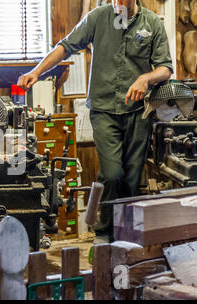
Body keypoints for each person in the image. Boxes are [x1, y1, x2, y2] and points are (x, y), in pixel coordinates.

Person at [18, 0, 173, 242]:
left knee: (132, 179)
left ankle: (127, 236)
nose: (118, 4)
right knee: (111, 174)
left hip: (137, 112)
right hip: (104, 110)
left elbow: (165, 68)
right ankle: (104, 233)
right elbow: (65, 46)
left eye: (123, 0)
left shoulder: (151, 23)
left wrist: (146, 78)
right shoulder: (97, 17)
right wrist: (37, 71)